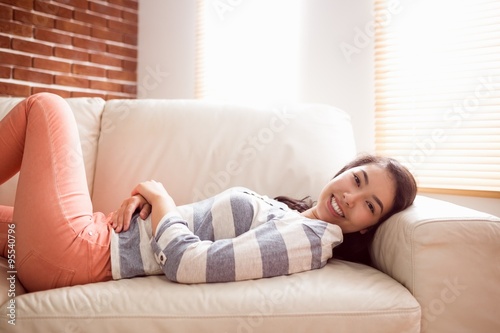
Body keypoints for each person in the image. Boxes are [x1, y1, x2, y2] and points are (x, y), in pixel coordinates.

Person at [0, 93, 417, 292]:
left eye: (369, 207)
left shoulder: (307, 242)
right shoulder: (295, 219)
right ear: (347, 171)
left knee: (47, 108)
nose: (350, 199)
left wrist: (162, 202)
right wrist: (148, 208)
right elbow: (191, 234)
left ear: (368, 229)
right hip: (91, 237)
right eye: (358, 181)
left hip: (78, 253)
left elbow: (190, 264)